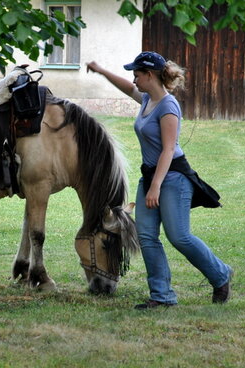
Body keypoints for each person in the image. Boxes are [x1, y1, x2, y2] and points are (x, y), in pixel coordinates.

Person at [87, 52, 233, 309]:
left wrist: (155, 187)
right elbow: (126, 87)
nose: (135, 79)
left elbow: (168, 149)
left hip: (173, 178)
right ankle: (162, 296)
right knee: (146, 237)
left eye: (138, 74)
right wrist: (100, 70)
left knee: (179, 236)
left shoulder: (168, 106)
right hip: (150, 175)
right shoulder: (146, 100)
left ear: (150, 75)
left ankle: (220, 275)